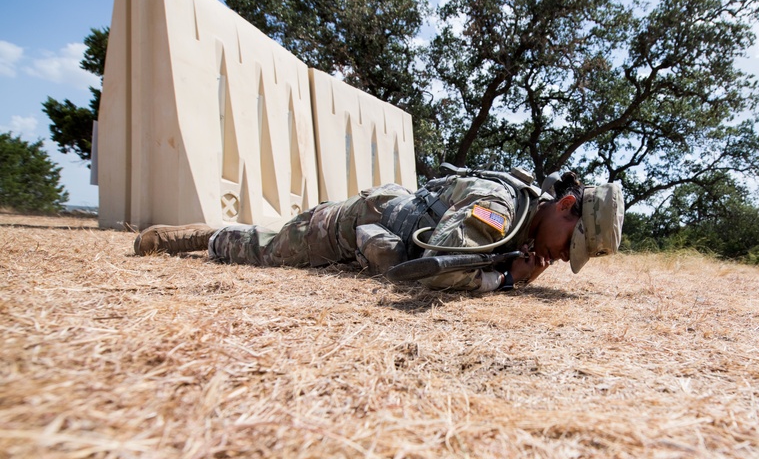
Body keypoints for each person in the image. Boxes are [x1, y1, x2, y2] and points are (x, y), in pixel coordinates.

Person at [133, 165, 623, 292]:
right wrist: (509, 279)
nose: (562, 257)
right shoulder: (500, 207)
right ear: (564, 206)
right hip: (360, 222)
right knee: (269, 248)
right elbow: (433, 269)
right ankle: (205, 237)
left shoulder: (522, 225)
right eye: (571, 244)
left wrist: (514, 267)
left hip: (380, 229)